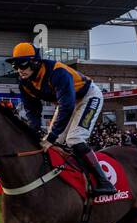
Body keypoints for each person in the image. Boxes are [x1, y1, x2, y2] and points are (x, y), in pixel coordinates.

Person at [7, 42, 117, 197]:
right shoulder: (24, 82)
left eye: (23, 65)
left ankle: (104, 181)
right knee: (53, 143)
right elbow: (32, 110)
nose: (19, 70)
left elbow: (67, 106)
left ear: (35, 62)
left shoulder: (57, 72)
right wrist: (35, 130)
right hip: (66, 102)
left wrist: (51, 137)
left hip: (88, 96)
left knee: (74, 139)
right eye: (15, 66)